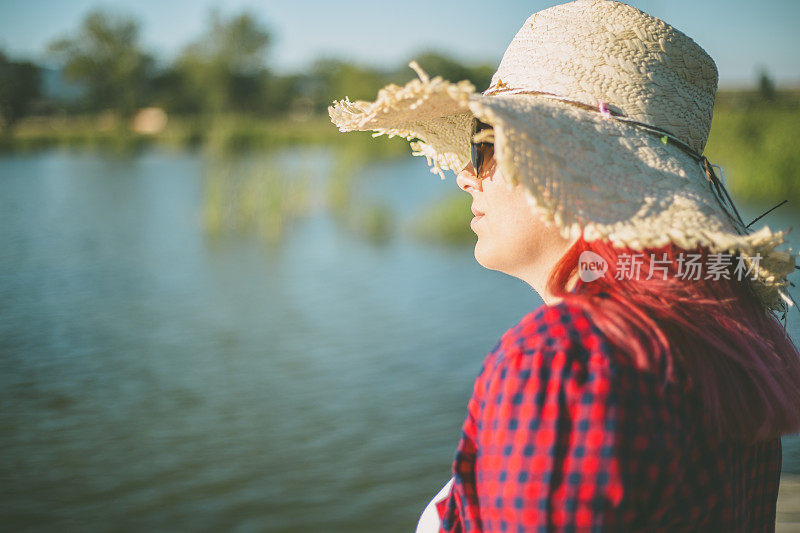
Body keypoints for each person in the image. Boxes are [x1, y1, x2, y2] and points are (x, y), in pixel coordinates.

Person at [328, 0, 800, 530]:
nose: (464, 174)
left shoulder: (563, 361)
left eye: (485, 144)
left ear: (575, 168)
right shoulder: (729, 339)